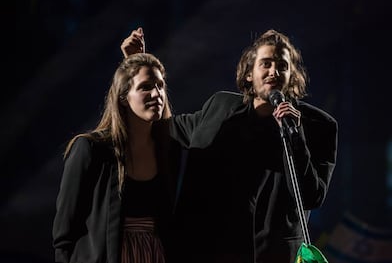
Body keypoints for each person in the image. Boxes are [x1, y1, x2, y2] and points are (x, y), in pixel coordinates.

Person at [122, 27, 338, 263]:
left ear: (291, 75)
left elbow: (311, 196)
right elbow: (165, 129)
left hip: (272, 255)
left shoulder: (318, 125)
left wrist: (295, 136)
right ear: (248, 74)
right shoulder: (220, 108)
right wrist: (136, 66)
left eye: (282, 65)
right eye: (265, 63)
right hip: (208, 250)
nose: (274, 71)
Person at [52, 52, 181, 263]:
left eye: (160, 85)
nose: (157, 93)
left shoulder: (169, 150)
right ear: (123, 97)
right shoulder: (91, 149)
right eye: (145, 87)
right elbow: (64, 232)